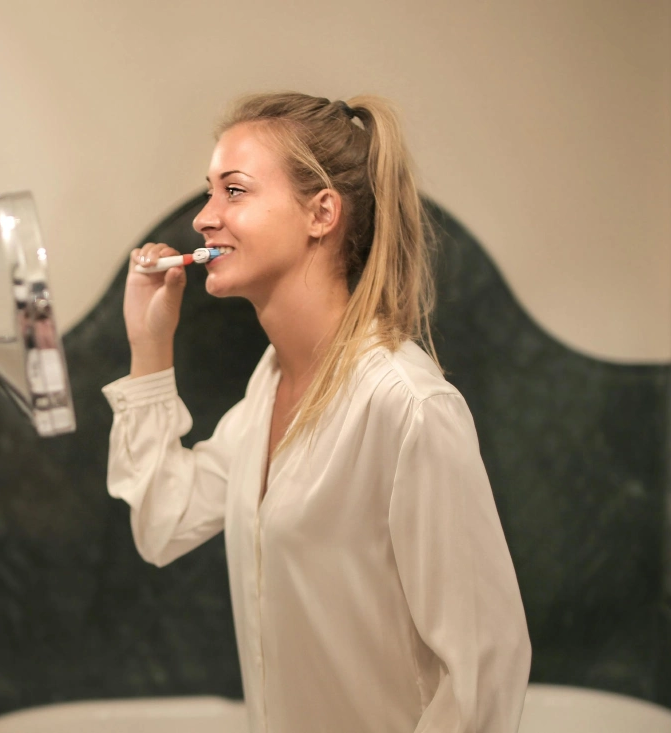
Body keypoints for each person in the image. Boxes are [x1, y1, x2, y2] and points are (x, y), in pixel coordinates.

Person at [101, 92, 531, 732]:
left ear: (321, 212)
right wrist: (149, 344)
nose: (203, 218)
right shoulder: (270, 384)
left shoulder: (407, 407)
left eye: (234, 191)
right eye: (209, 192)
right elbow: (164, 521)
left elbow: (482, 674)